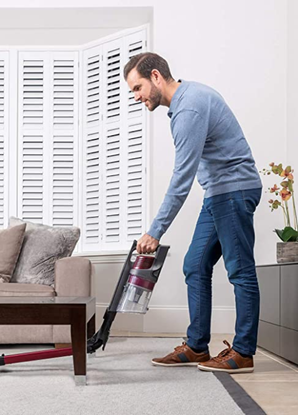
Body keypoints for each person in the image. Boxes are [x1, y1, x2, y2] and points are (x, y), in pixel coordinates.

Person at [124, 52, 262, 374]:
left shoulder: (189, 107)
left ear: (156, 76)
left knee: (240, 269)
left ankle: (243, 352)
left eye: (137, 87)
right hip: (219, 191)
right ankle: (198, 346)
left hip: (234, 189)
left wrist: (155, 230)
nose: (136, 97)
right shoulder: (188, 99)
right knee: (194, 265)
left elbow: (182, 179)